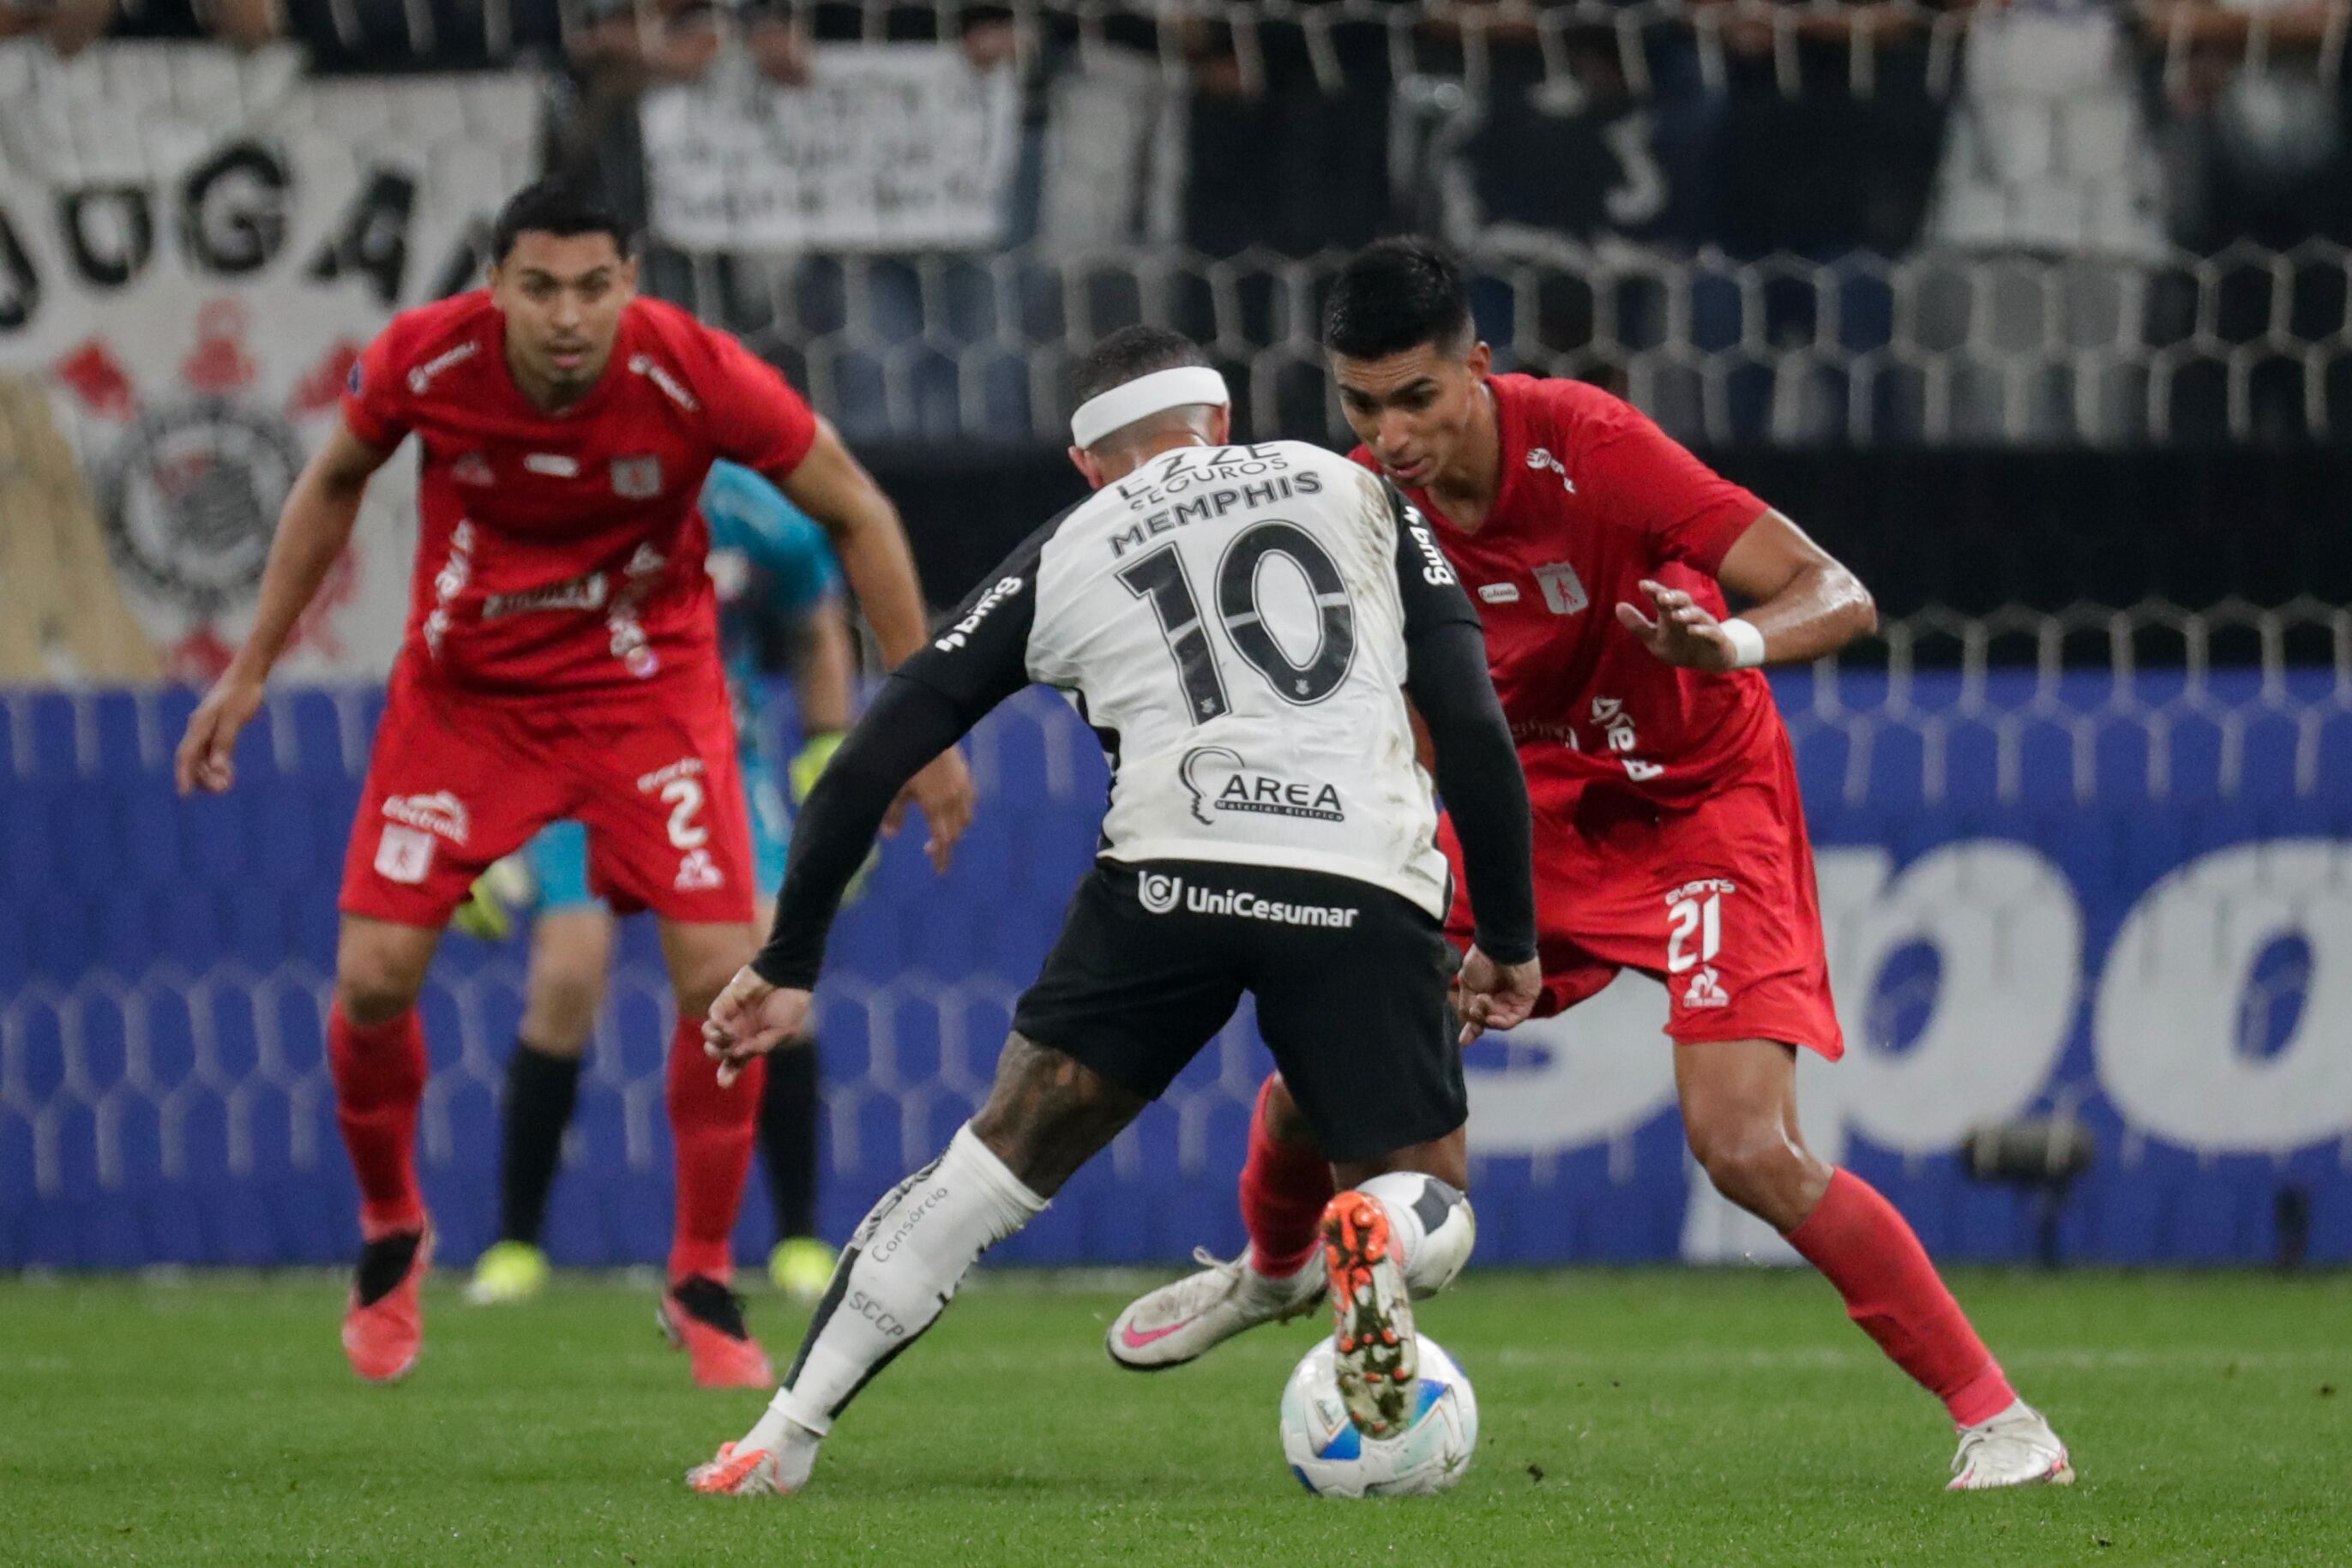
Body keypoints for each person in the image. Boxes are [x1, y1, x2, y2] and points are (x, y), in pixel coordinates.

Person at [1107, 238, 2074, 1493]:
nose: (1388, 435)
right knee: (1326, 1069)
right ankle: (1273, 1266)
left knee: (1742, 1147)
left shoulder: (1591, 445)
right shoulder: (1354, 508)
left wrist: (1728, 640)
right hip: (1521, 807)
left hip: (1698, 801)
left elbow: (1834, 592)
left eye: (1415, 398)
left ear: (1478, 369)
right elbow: (1388, 712)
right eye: (1359, 404)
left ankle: (2001, 1420)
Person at [682, 324, 1541, 1496]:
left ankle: (779, 1436)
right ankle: (1377, 1237)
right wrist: (1507, 939)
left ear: (1087, 463)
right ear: (1221, 425)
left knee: (986, 1170)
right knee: (1422, 1191)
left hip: (1169, 874)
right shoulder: (1354, 490)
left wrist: (787, 960)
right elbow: (1477, 735)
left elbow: (869, 756)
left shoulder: (1067, 545)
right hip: (1358, 873)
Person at [173, 179, 973, 1390]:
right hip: (465, 704)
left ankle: (701, 1274)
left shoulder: (692, 372)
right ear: (492, 285)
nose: (566, 316)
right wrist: (248, 672)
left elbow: (856, 510)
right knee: (375, 976)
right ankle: (394, 1229)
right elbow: (335, 481)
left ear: (629, 285)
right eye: (538, 286)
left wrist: (918, 720)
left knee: (724, 977)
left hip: (645, 702)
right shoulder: (424, 362)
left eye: (594, 287)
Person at [460, 460, 862, 1309]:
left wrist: (830, 754)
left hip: (722, 769)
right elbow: (481, 649)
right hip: (579, 764)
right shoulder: (553, 494)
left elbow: (816, 616)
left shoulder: (751, 509)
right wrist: (479, 812)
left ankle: (797, 1237)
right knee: (567, 972)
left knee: (771, 962)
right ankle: (515, 1244)